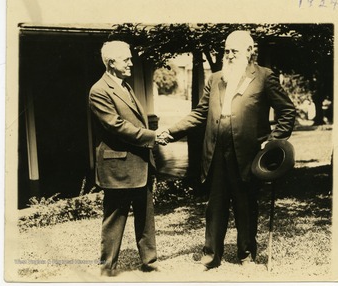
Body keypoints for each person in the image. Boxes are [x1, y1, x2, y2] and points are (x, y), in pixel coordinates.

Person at [159, 30, 296, 269]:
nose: (230, 55)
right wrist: (171, 132)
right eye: (226, 51)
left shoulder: (264, 77)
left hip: (248, 153)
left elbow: (287, 111)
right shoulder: (216, 79)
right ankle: (211, 256)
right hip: (216, 152)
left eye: (235, 51)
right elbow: (200, 114)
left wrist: (273, 141)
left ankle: (246, 255)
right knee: (216, 205)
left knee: (245, 204)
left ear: (249, 52)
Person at [89, 40, 171, 276]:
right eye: (126, 59)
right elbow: (117, 126)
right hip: (118, 167)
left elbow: (133, 122)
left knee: (146, 217)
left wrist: (150, 138)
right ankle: (107, 270)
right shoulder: (99, 91)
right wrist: (153, 136)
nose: (131, 63)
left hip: (139, 163)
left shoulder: (124, 86)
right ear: (111, 62)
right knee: (115, 219)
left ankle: (150, 263)